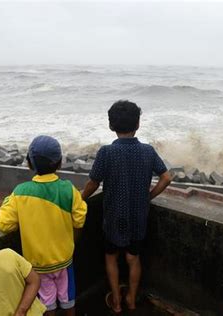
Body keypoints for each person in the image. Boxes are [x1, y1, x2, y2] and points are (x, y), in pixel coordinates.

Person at [82, 100, 172, 313]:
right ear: (138, 124)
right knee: (133, 258)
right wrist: (148, 197)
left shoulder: (106, 153)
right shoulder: (148, 151)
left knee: (111, 257)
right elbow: (166, 178)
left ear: (111, 125)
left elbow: (93, 183)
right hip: (138, 216)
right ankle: (131, 299)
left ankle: (116, 301)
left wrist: (80, 198)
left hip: (113, 217)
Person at [0, 135, 87, 316]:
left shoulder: (20, 192)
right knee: (69, 302)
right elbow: (79, 220)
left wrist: (8, 200)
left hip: (37, 266)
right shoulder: (69, 189)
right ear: (60, 163)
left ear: (30, 164)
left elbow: (4, 225)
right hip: (64, 261)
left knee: (46, 306)